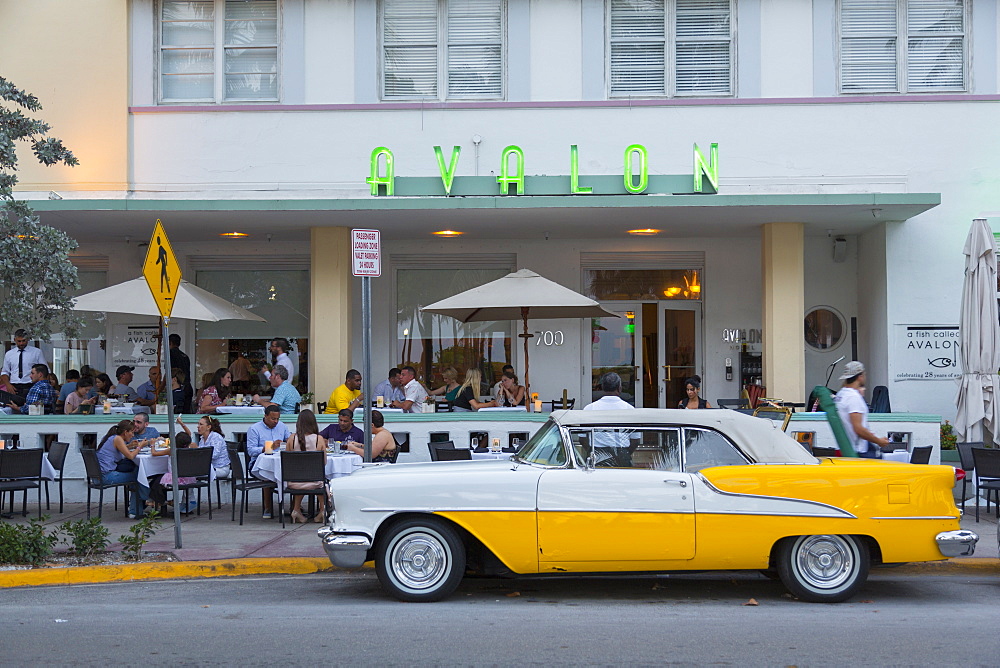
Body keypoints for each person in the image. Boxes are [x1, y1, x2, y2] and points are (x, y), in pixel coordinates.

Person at [95, 419, 150, 519]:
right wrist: (139, 447)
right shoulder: (117, 439)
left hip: (98, 476)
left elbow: (118, 449)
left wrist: (130, 446)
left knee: (138, 472)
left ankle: (138, 507)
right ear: (126, 432)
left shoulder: (111, 437)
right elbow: (130, 456)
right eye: (132, 432)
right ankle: (142, 504)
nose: (133, 435)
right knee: (139, 475)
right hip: (107, 476)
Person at [834, 361, 888, 459]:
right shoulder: (853, 397)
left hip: (844, 449)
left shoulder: (841, 395)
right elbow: (858, 429)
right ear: (860, 376)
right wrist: (878, 441)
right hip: (857, 451)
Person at [245, 405, 289, 519]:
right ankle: (268, 507)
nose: (276, 421)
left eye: (277, 419)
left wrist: (287, 443)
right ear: (265, 416)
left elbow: (288, 441)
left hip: (280, 460)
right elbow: (250, 451)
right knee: (266, 473)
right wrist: (269, 447)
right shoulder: (254, 429)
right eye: (273, 419)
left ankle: (295, 507)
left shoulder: (282, 426)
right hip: (258, 463)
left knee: (294, 471)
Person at [285, 409, 327, 524]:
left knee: (303, 478)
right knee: (322, 481)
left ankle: (296, 510)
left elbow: (287, 462)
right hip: (314, 481)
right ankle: (323, 510)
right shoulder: (319, 439)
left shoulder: (291, 438)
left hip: (294, 482)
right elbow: (323, 462)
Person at [147, 431, 196, 513]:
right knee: (157, 481)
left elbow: (154, 453)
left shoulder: (171, 450)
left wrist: (152, 444)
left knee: (155, 481)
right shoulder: (191, 448)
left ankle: (160, 501)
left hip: (173, 477)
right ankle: (163, 501)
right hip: (187, 477)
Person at [177, 414, 230, 480]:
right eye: (198, 424)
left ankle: (189, 489)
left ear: (208, 427)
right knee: (188, 471)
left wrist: (198, 449)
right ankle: (188, 490)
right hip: (208, 467)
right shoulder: (202, 439)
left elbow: (214, 455)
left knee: (191, 473)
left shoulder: (215, 437)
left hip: (220, 468)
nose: (198, 426)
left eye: (201, 424)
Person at [2, 329, 48, 395]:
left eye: (23, 341)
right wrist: (8, 385)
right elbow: (5, 372)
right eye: (19, 341)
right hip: (14, 386)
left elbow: (45, 370)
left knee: (31, 404)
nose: (21, 343)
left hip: (31, 384)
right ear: (15, 340)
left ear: (27, 340)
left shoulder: (36, 352)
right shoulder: (9, 354)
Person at [169, 334, 193, 412]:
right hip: (187, 386)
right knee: (186, 413)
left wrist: (162, 387)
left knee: (175, 411)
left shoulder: (170, 354)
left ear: (170, 342)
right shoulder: (185, 356)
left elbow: (170, 372)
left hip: (177, 386)